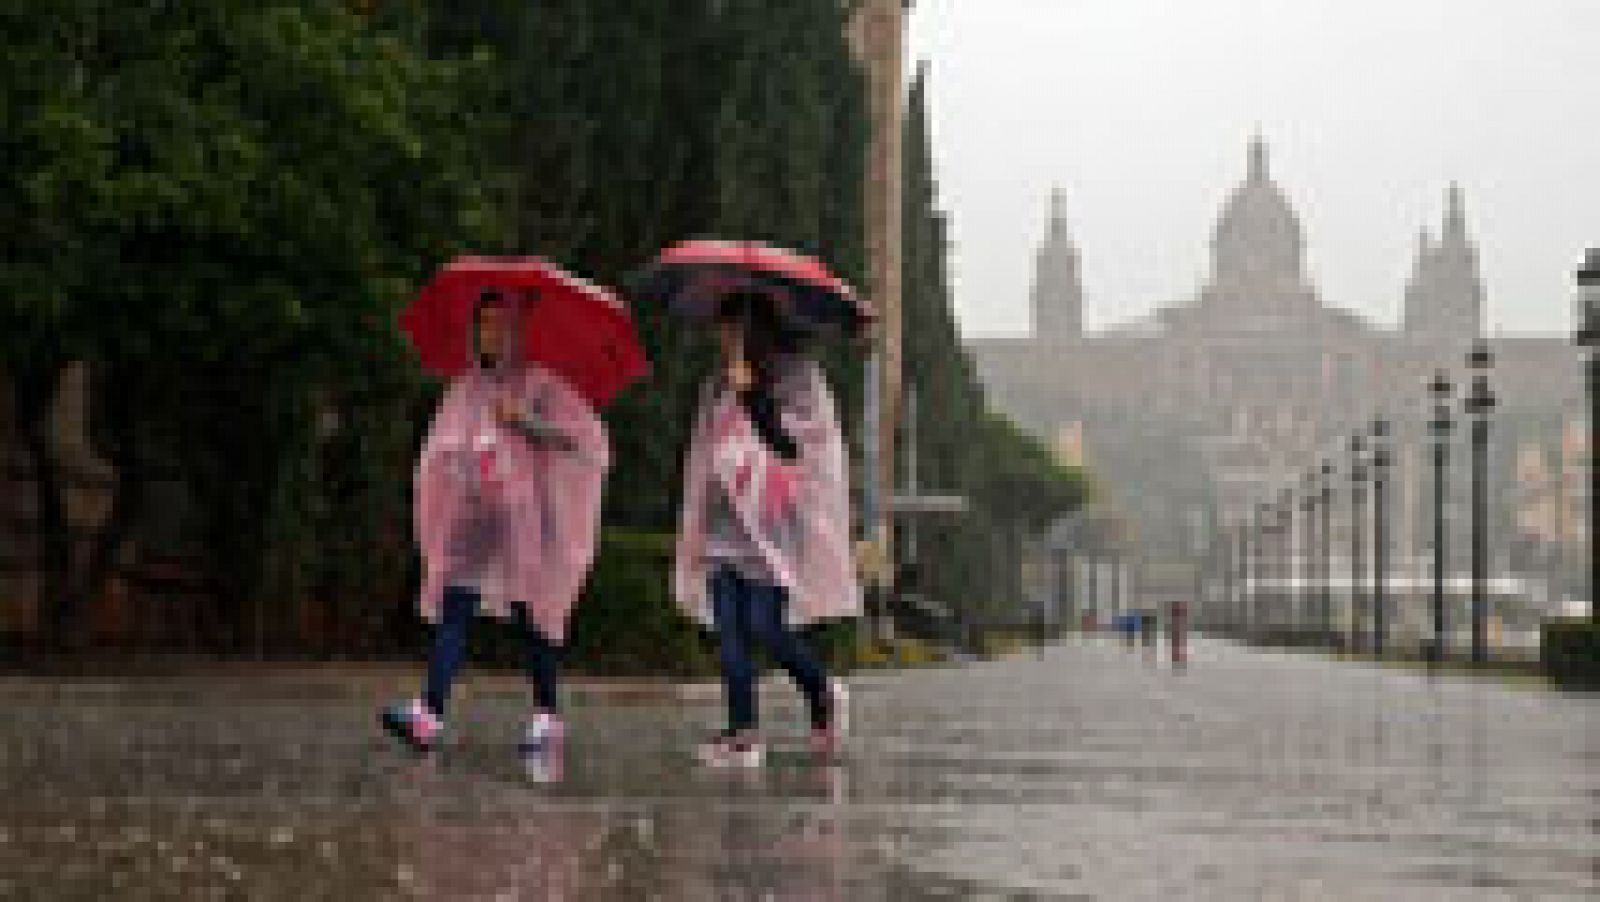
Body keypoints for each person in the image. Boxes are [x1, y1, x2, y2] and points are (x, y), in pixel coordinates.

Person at [382, 289, 609, 769]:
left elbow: (579, 439)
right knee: (455, 607)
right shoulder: (467, 386)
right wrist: (454, 463)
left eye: (500, 324)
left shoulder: (541, 380)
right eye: (483, 323)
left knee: (531, 612)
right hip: (473, 512)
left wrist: (525, 420)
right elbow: (440, 445)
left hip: (520, 514)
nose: (490, 334)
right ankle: (430, 712)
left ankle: (547, 715)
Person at [674, 291, 859, 767]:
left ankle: (821, 692)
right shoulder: (716, 384)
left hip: (770, 532)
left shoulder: (797, 378)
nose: (725, 339)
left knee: (766, 628)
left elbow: (795, 448)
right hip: (722, 527)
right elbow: (706, 451)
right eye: (723, 330)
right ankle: (742, 733)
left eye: (734, 329)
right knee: (729, 636)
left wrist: (753, 395)